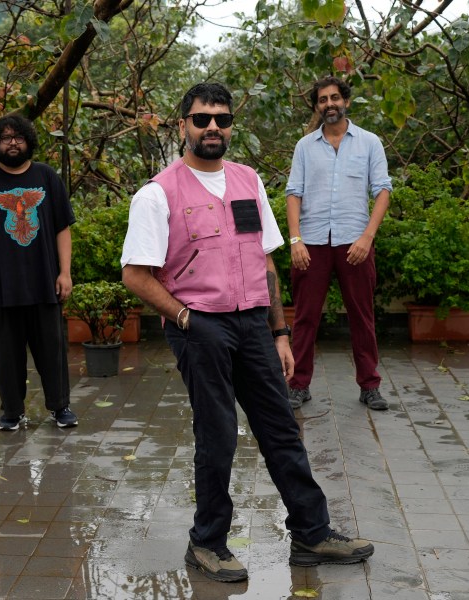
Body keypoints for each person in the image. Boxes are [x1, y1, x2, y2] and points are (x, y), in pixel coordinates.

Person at [120, 82, 374, 583]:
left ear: (231, 126)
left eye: (221, 118)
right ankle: (208, 543)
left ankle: (311, 532)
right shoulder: (157, 194)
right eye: (201, 119)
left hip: (254, 322)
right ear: (182, 127)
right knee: (217, 436)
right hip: (200, 326)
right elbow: (135, 274)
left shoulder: (247, 180)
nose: (212, 127)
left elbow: (264, 259)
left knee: (281, 427)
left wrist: (280, 331)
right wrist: (186, 319)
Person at [0, 115, 78, 431]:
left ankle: (60, 407)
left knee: (52, 352)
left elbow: (62, 229)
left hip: (45, 284)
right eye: (5, 137)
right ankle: (12, 411)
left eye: (18, 137)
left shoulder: (47, 177)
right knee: (5, 355)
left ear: (28, 140)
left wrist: (65, 272)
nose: (13, 142)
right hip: (1, 288)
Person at [285, 76, 393, 412]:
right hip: (312, 243)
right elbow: (293, 194)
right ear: (316, 106)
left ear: (345, 101)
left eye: (334, 98)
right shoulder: (305, 146)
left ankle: (370, 386)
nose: (329, 104)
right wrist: (295, 240)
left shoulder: (369, 143)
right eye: (322, 100)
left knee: (362, 316)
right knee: (305, 318)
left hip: (355, 243)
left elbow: (383, 191)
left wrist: (367, 237)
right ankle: (298, 384)